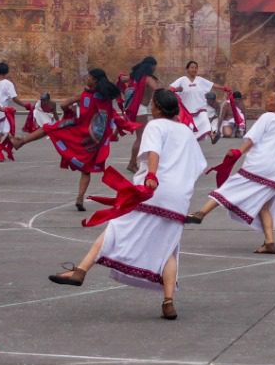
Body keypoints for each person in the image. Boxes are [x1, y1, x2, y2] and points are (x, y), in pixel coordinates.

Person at [50, 88, 206, 320]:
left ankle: (80, 271)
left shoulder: (155, 125)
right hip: (179, 197)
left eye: (153, 103)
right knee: (169, 246)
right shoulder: (186, 131)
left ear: (157, 108)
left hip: (152, 190)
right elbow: (199, 166)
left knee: (116, 227)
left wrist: (151, 175)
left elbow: (153, 152)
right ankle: (168, 301)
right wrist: (180, 184)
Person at [195, 91, 275, 251]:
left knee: (230, 188)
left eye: (271, 98)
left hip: (260, 165)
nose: (267, 99)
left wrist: (239, 152)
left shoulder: (267, 117)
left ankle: (201, 213)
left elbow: (252, 139)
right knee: (264, 206)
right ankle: (270, 242)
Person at [14, 68, 123, 211]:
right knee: (86, 170)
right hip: (95, 138)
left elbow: (64, 104)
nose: (87, 78)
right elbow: (109, 117)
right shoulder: (106, 98)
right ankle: (80, 198)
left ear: (95, 80)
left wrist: (70, 107)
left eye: (89, 77)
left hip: (81, 130)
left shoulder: (85, 95)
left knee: (49, 128)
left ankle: (21, 141)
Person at [172, 60, 218, 142]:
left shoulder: (200, 80)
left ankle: (213, 135)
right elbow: (170, 89)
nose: (194, 69)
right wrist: (176, 89)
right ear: (187, 69)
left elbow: (212, 85)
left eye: (196, 68)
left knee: (206, 122)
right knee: (189, 130)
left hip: (200, 109)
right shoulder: (182, 80)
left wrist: (224, 88)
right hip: (186, 111)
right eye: (192, 67)